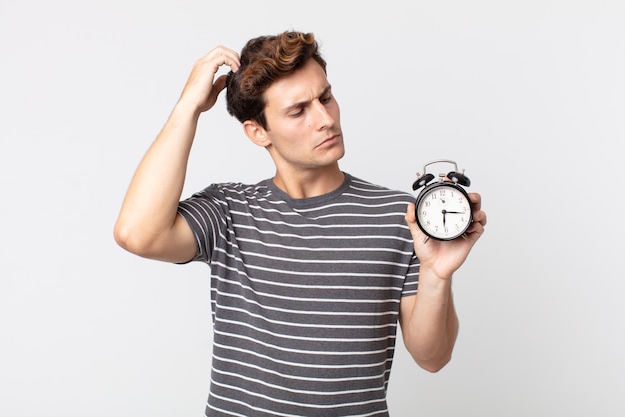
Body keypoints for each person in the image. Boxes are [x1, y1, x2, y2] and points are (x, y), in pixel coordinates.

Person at [114, 30, 486, 417]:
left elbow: (432, 357)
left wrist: (436, 274)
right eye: (298, 111)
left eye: (325, 97)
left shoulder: (400, 215)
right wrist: (187, 106)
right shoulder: (230, 210)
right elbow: (137, 234)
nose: (325, 119)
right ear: (258, 132)